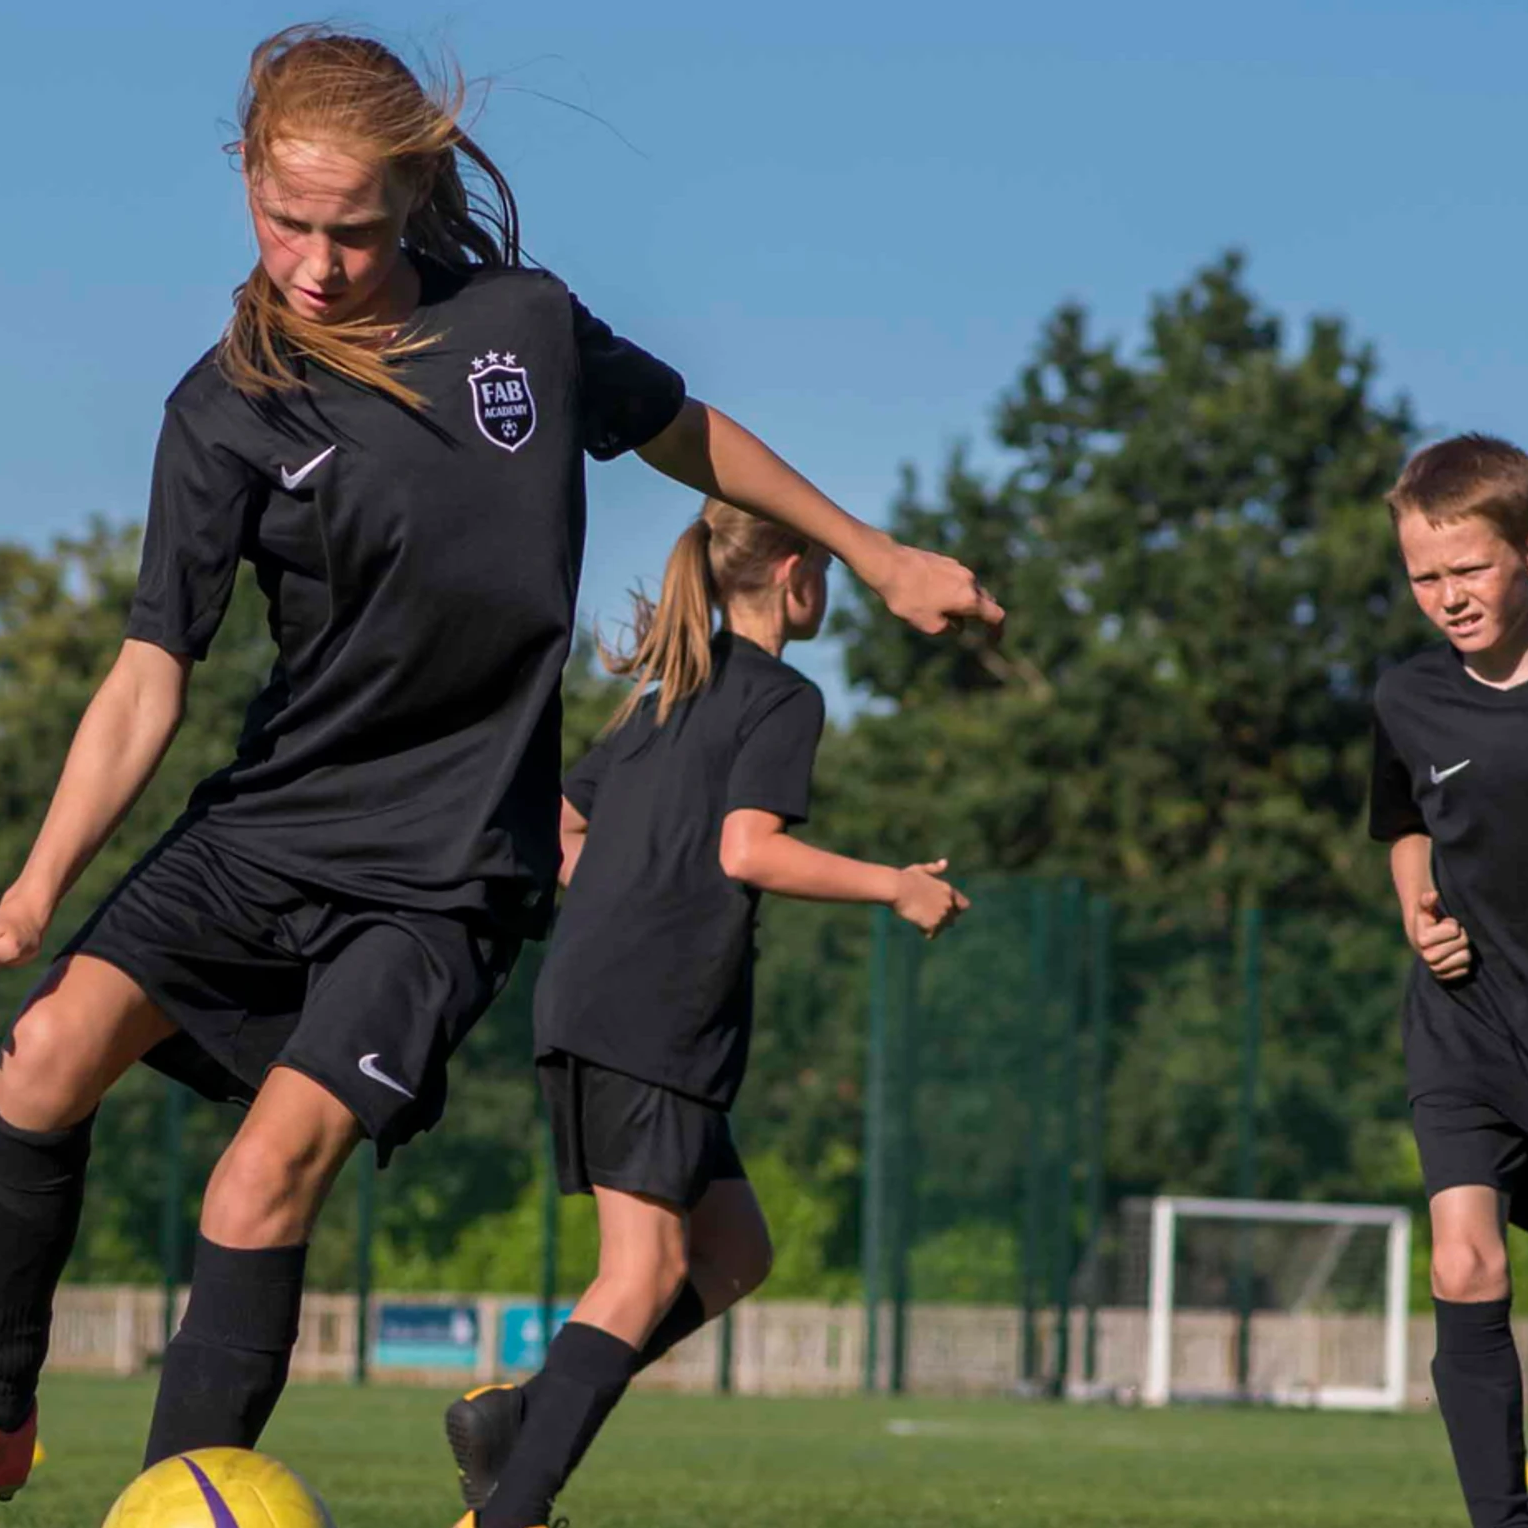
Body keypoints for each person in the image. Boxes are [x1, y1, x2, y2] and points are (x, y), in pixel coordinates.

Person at [0, 25, 1002, 1504]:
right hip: (268, 827)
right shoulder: (223, 408)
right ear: (247, 184)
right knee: (34, 1068)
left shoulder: (520, 328)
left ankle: (177, 1499)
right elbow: (154, 669)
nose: (319, 263)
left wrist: (874, 550)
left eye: (351, 228)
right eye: (289, 224)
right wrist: (34, 889)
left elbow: (684, 431)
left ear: (411, 192)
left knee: (262, 1172)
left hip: (447, 872)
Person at [443, 496, 971, 1528]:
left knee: (734, 1250)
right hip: (655, 1007)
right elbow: (746, 849)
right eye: (822, 562)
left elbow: (561, 821)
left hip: (595, 995)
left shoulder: (663, 693)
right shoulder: (779, 697)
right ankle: (512, 1510)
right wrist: (894, 885)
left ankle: (524, 1418)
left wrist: (621, 893)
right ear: (792, 571)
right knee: (639, 1272)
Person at [1370, 433, 1528, 1528]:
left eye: (1467, 568)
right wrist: (1418, 913)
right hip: (1466, 1023)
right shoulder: (1407, 697)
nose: (1445, 597)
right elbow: (1401, 827)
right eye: (1424, 576)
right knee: (1465, 1261)